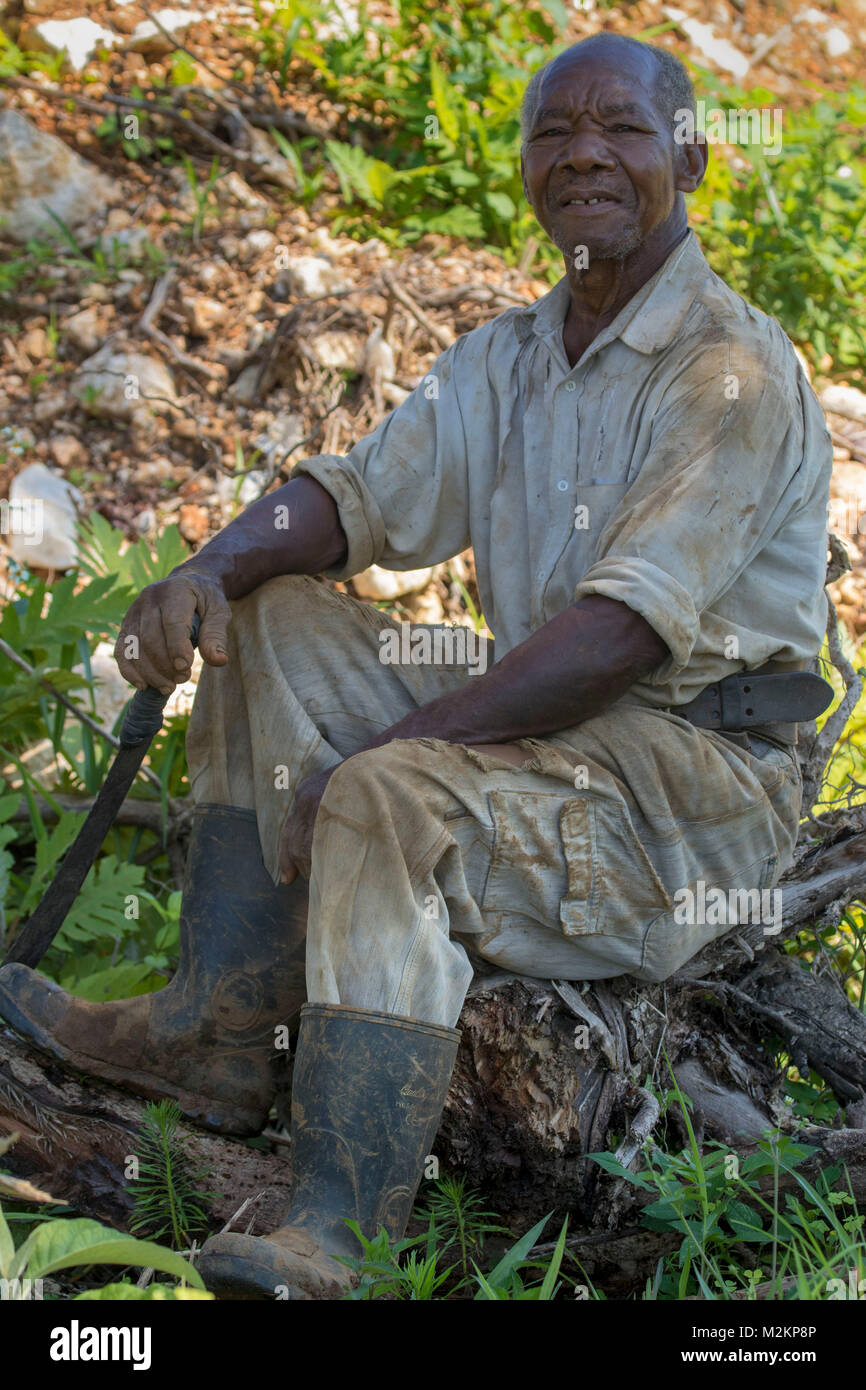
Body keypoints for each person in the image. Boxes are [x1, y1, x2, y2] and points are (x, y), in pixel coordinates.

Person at [0, 33, 833, 1299]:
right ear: (525, 169)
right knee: (272, 618)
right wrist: (205, 574)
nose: (583, 155)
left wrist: (394, 752)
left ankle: (336, 1225)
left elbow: (617, 636)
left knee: (394, 798)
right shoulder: (511, 355)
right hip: (570, 727)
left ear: (693, 159)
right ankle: (220, 1031)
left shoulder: (726, 370)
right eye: (554, 133)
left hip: (698, 785)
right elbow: (353, 500)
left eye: (621, 129)